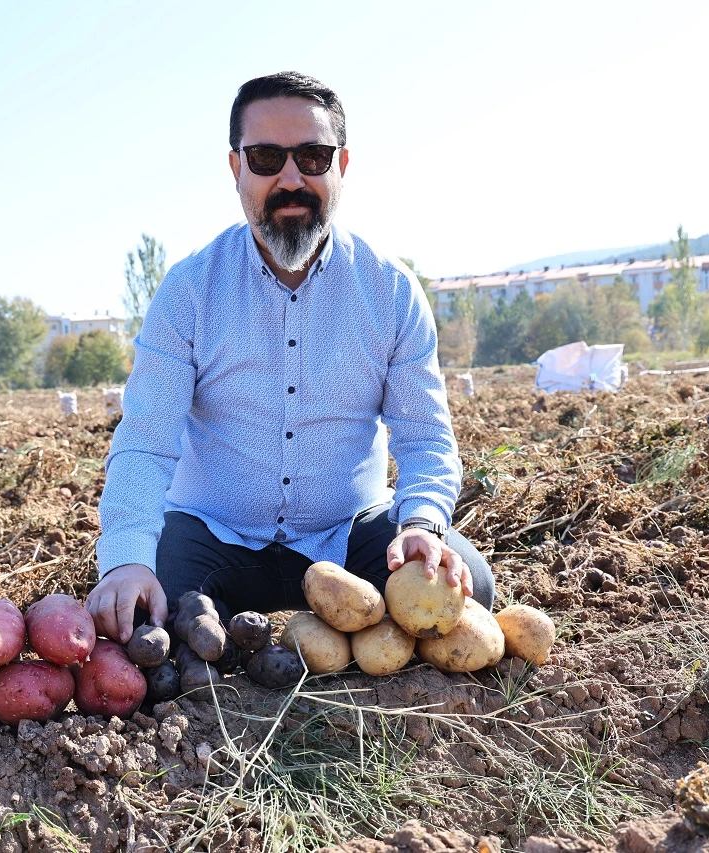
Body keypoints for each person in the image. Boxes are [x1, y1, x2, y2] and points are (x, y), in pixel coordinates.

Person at [86, 72, 495, 643]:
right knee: (143, 610)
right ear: (236, 170)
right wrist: (127, 556)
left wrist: (421, 523)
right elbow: (146, 439)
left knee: (464, 583)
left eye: (312, 156)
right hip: (214, 536)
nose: (291, 178)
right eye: (266, 157)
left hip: (348, 532)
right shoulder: (189, 291)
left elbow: (424, 436)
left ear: (342, 166)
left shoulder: (390, 290)